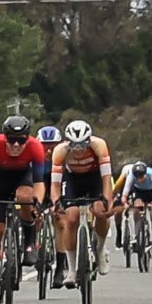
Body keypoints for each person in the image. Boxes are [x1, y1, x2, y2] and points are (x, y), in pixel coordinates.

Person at [0, 115, 47, 304]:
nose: (16, 144)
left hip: (22, 177)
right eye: (11, 140)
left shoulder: (35, 147)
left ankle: (30, 242)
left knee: (25, 197)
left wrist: (37, 202)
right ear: (4, 137)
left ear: (28, 138)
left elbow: (39, 182)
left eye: (21, 140)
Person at [51, 119, 114, 288]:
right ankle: (71, 270)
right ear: (68, 143)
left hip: (95, 179)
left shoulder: (99, 145)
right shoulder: (60, 151)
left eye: (82, 145)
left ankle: (100, 250)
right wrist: (56, 203)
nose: (78, 150)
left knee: (101, 210)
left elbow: (106, 179)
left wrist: (108, 200)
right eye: (74, 146)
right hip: (73, 180)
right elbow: (55, 185)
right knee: (70, 218)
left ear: (89, 141)